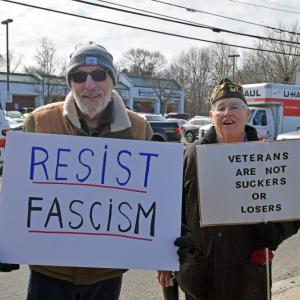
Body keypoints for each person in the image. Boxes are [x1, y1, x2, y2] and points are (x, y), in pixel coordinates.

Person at [22, 41, 153, 300]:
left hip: (106, 270)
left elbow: (152, 197)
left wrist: (170, 237)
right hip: (49, 268)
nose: (89, 84)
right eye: (79, 76)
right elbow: (17, 191)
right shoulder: (39, 122)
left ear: (113, 80)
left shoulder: (139, 130)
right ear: (70, 82)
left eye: (99, 75)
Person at [158, 78, 300, 300]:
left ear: (247, 114)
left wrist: (270, 239)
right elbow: (170, 211)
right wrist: (173, 256)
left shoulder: (267, 158)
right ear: (211, 115)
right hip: (199, 275)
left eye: (234, 107)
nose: (227, 113)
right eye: (221, 108)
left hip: (248, 274)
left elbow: (292, 208)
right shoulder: (190, 157)